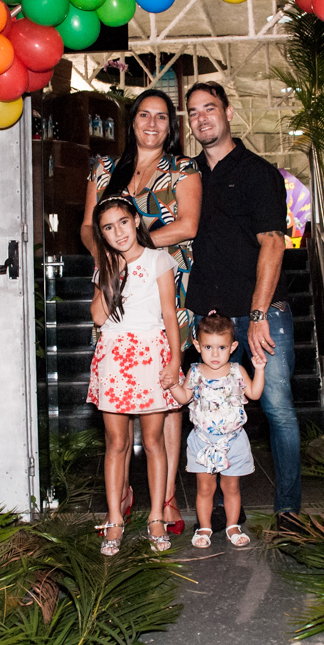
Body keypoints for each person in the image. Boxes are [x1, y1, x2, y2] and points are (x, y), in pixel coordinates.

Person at [184, 81, 302, 528]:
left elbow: (273, 242)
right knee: (208, 412)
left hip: (261, 313)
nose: (201, 118)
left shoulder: (257, 172)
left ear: (229, 112)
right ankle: (217, 508)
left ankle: (288, 509)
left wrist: (256, 315)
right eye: (193, 112)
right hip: (208, 319)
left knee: (277, 409)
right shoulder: (188, 175)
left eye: (209, 108)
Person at [81, 89, 199, 535]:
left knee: (165, 398)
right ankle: (124, 496)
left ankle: (165, 499)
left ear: (172, 126)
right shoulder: (105, 168)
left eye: (162, 117)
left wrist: (137, 252)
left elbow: (188, 225)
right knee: (118, 390)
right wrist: (108, 259)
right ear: (131, 121)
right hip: (114, 286)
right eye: (144, 115)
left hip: (168, 282)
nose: (152, 123)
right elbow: (89, 225)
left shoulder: (183, 168)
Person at [87, 196, 183, 555]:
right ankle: (115, 518)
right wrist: (109, 273)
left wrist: (173, 362)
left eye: (123, 222)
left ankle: (156, 516)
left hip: (151, 354)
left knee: (154, 440)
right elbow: (98, 317)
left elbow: (170, 316)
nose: (118, 232)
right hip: (114, 356)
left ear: (136, 221)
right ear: (103, 235)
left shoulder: (159, 259)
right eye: (109, 228)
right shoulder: (106, 268)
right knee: (116, 443)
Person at [168, 313, 266, 548]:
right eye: (209, 347)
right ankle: (204, 527)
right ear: (198, 345)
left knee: (231, 488)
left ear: (232, 347)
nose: (214, 353)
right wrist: (172, 384)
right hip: (203, 441)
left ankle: (233, 525)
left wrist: (259, 370)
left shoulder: (237, 370)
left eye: (221, 347)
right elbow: (183, 398)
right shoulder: (195, 372)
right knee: (205, 489)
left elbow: (254, 394)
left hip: (233, 440)